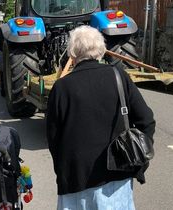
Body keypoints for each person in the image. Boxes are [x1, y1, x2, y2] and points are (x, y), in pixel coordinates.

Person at [46, 25, 156, 210]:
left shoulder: (61, 88)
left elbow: (53, 139)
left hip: (76, 182)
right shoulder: (118, 76)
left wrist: (63, 171)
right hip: (117, 178)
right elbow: (146, 120)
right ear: (101, 49)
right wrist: (139, 160)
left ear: (72, 53)